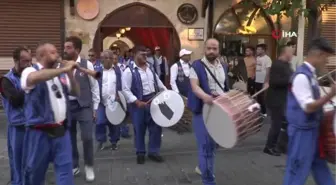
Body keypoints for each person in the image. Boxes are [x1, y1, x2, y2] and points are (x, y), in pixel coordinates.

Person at [20, 43, 80, 185]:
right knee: (34, 173)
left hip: (61, 131)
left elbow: (76, 92)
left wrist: (70, 73)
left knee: (66, 171)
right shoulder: (29, 71)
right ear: (41, 56)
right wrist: (64, 69)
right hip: (39, 133)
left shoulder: (60, 74)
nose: (57, 55)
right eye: (53, 52)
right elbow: (33, 79)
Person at [283, 37, 336, 185]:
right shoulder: (301, 77)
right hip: (302, 132)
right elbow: (308, 107)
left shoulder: (311, 74)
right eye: (326, 58)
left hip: (312, 129)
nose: (327, 63)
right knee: (296, 171)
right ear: (319, 55)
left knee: (320, 168)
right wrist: (331, 94)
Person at [188, 38, 230, 185]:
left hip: (219, 111)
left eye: (215, 48)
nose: (212, 51)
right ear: (204, 50)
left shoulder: (223, 66)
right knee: (206, 146)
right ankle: (208, 181)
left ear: (219, 50)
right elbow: (195, 86)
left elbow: (224, 87)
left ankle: (202, 166)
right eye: (209, 48)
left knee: (213, 145)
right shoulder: (196, 66)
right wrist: (205, 96)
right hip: (202, 111)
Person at [122, 46, 167, 164]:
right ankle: (140, 152)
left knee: (156, 127)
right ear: (135, 55)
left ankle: (154, 151)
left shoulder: (150, 68)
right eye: (142, 54)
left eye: (146, 54)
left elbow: (158, 82)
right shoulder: (129, 70)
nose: (145, 57)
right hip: (138, 103)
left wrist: (165, 91)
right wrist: (136, 101)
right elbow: (125, 90)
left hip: (153, 100)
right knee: (139, 128)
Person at [63, 36, 100, 181]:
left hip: (84, 106)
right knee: (70, 138)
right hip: (67, 107)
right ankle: (74, 164)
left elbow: (94, 87)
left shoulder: (87, 65)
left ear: (77, 50)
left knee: (87, 137)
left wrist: (95, 108)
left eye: (68, 47)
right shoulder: (61, 65)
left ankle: (89, 166)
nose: (65, 50)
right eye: (65, 47)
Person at [1, 46, 31, 185]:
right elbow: (15, 101)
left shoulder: (30, 75)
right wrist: (29, 86)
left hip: (32, 125)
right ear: (16, 60)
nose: (28, 64)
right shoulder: (6, 81)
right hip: (17, 127)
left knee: (31, 161)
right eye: (25, 61)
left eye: (30, 61)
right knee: (17, 162)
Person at [264, 45, 293, 156]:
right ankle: (269, 146)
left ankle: (281, 145)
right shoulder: (277, 64)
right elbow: (274, 82)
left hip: (284, 99)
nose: (292, 55)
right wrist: (289, 80)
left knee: (284, 123)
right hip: (276, 99)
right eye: (290, 52)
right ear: (285, 53)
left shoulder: (287, 65)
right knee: (276, 124)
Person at [255, 44, 272, 115]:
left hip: (263, 78)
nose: (257, 51)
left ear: (263, 50)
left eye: (259, 49)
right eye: (257, 49)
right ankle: (260, 111)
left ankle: (264, 112)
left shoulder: (267, 59)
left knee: (262, 97)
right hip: (258, 77)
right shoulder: (257, 58)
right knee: (258, 96)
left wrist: (266, 81)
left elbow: (268, 71)